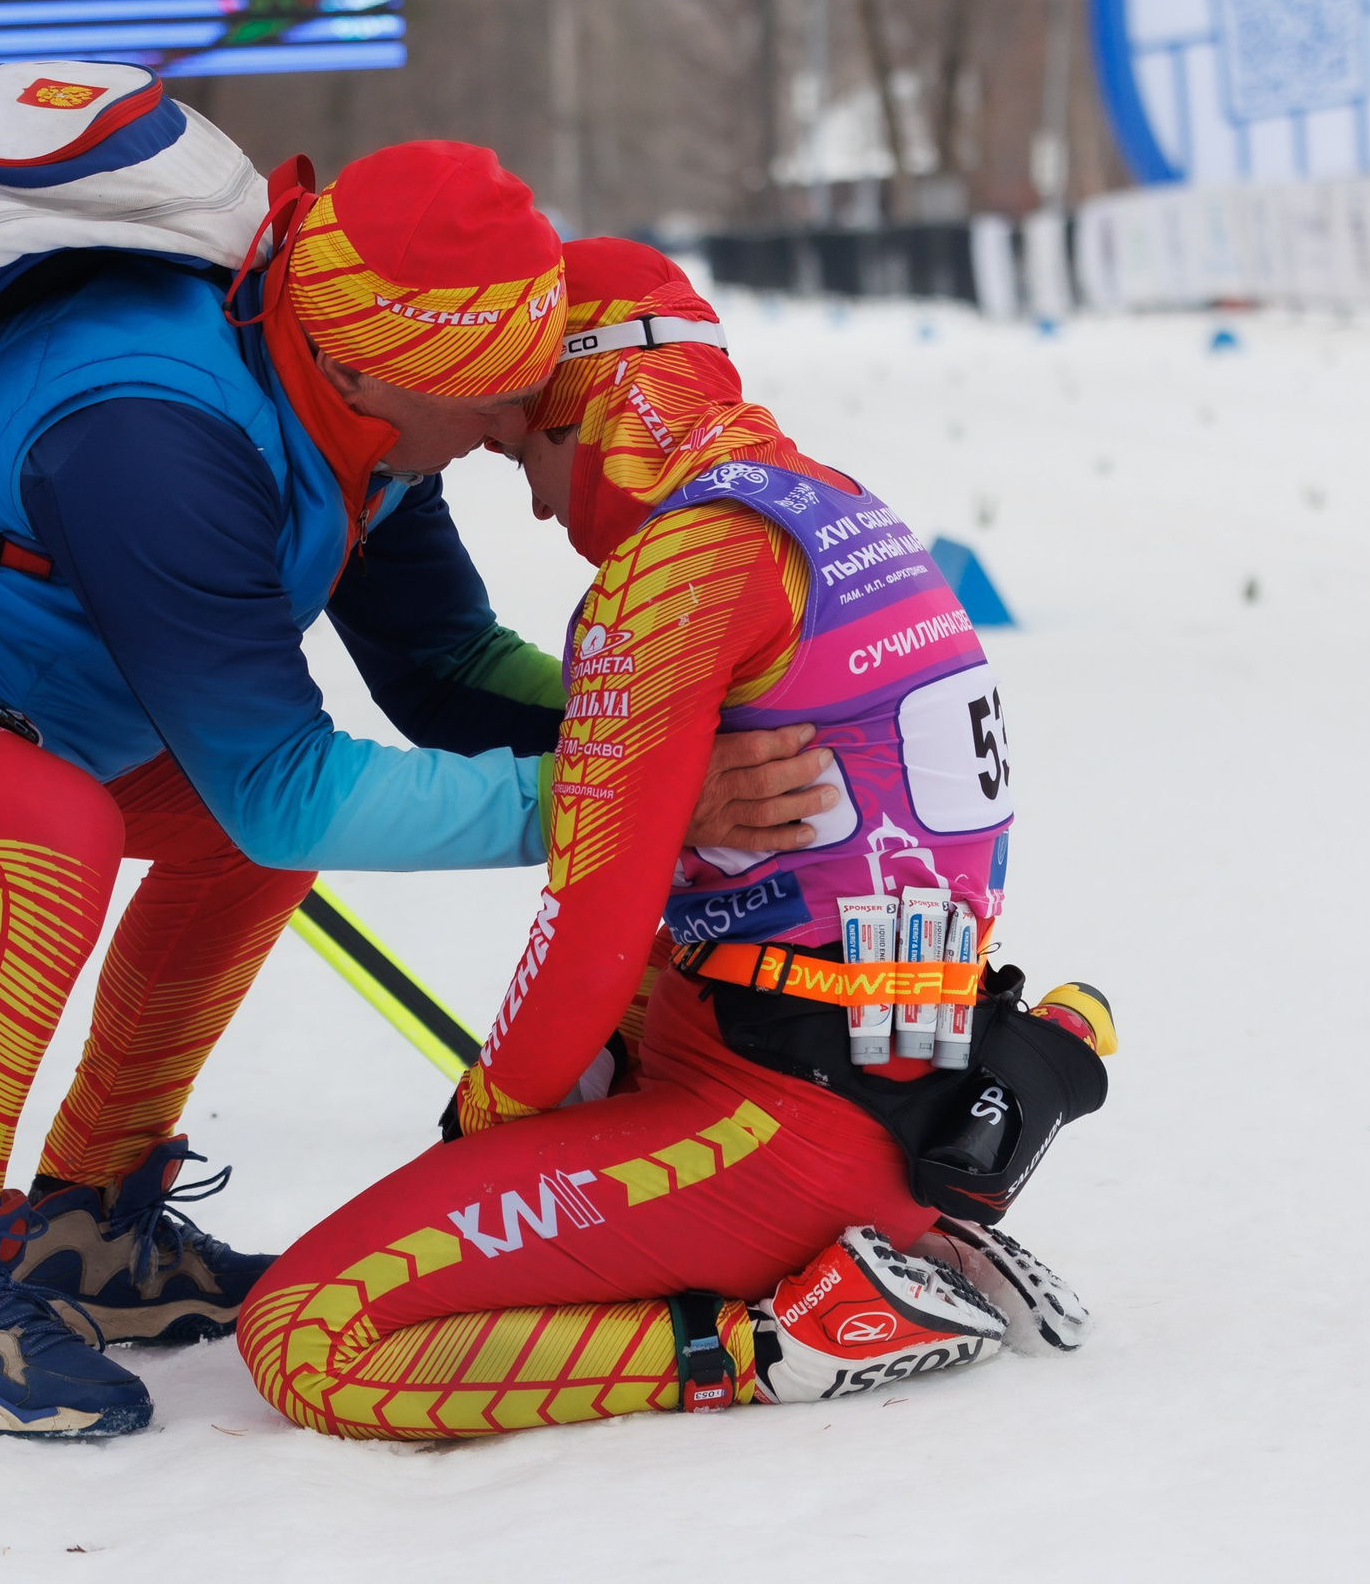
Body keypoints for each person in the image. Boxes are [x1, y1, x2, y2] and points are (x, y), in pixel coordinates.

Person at [0, 144, 840, 1437]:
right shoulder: (156, 432)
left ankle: (89, 1225)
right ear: (371, 372)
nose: (508, 432)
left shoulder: (366, 416)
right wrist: (629, 793)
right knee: (49, 833)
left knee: (234, 845)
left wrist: (672, 712)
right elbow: (283, 785)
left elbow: (446, 672)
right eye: (492, 402)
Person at [237, 240, 1110, 1441]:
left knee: (306, 1336)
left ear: (587, 399)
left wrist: (481, 1127)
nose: (539, 505)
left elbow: (587, 930)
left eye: (523, 449)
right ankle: (896, 1237)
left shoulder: (682, 564)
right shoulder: (833, 507)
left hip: (775, 1125)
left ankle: (779, 1339)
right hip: (896, 1088)